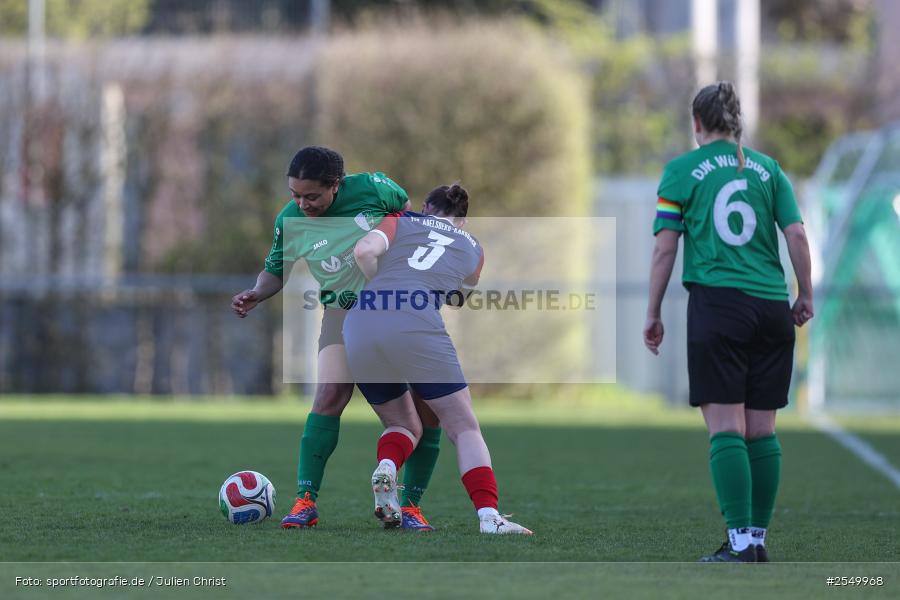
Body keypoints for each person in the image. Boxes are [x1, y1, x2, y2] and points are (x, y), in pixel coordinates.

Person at [643, 82, 813, 562]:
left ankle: (739, 541)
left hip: (719, 307)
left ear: (697, 123)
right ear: (737, 121)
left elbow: (664, 248)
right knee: (763, 429)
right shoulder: (768, 169)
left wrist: (653, 312)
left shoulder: (681, 171)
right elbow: (797, 235)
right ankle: (756, 539)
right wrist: (806, 293)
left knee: (725, 428)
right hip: (771, 308)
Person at [231, 146, 442, 531]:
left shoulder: (375, 188)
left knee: (428, 407)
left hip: (399, 309)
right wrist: (256, 293)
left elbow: (405, 216)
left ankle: (410, 507)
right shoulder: (290, 219)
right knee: (329, 394)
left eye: (311, 196)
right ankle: (304, 501)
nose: (302, 203)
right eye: (295, 194)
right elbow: (275, 270)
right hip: (342, 314)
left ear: (336, 185)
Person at [342, 183, 532, 535]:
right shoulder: (473, 247)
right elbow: (460, 297)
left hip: (360, 322)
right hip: (414, 321)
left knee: (403, 426)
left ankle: (387, 465)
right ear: (462, 220)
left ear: (427, 206)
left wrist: (382, 286)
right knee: (463, 427)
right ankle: (490, 517)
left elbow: (365, 251)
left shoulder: (401, 220)